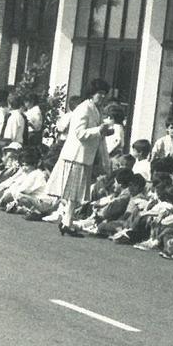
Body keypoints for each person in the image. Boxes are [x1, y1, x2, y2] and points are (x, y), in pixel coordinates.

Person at [42, 78, 114, 237]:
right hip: (76, 156)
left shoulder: (95, 109)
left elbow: (96, 131)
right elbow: (80, 133)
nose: (101, 97)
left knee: (74, 194)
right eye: (99, 93)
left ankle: (66, 222)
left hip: (84, 156)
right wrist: (98, 130)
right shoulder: (84, 108)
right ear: (92, 93)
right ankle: (66, 221)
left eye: (104, 94)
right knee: (72, 193)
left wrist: (104, 131)